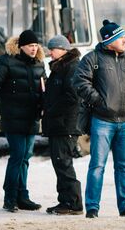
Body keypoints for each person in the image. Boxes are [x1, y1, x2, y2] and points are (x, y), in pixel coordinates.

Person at [73, 20, 125, 218]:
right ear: (109, 41)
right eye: (120, 37)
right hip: (102, 121)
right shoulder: (92, 59)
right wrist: (98, 101)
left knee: (124, 166)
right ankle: (92, 207)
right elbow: (79, 81)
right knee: (97, 165)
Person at [0, 30, 46, 212]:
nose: (34, 49)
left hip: (31, 118)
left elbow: (44, 90)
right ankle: (10, 197)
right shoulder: (5, 62)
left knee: (26, 158)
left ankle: (23, 197)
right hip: (12, 118)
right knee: (18, 156)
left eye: (36, 45)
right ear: (21, 46)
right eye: (30, 46)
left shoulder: (39, 63)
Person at [42, 35, 83, 215]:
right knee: (59, 163)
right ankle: (64, 201)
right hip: (58, 124)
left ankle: (73, 203)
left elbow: (72, 96)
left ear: (63, 50)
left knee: (64, 163)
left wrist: (51, 109)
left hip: (66, 124)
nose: (50, 53)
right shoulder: (61, 67)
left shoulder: (71, 67)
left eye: (53, 49)